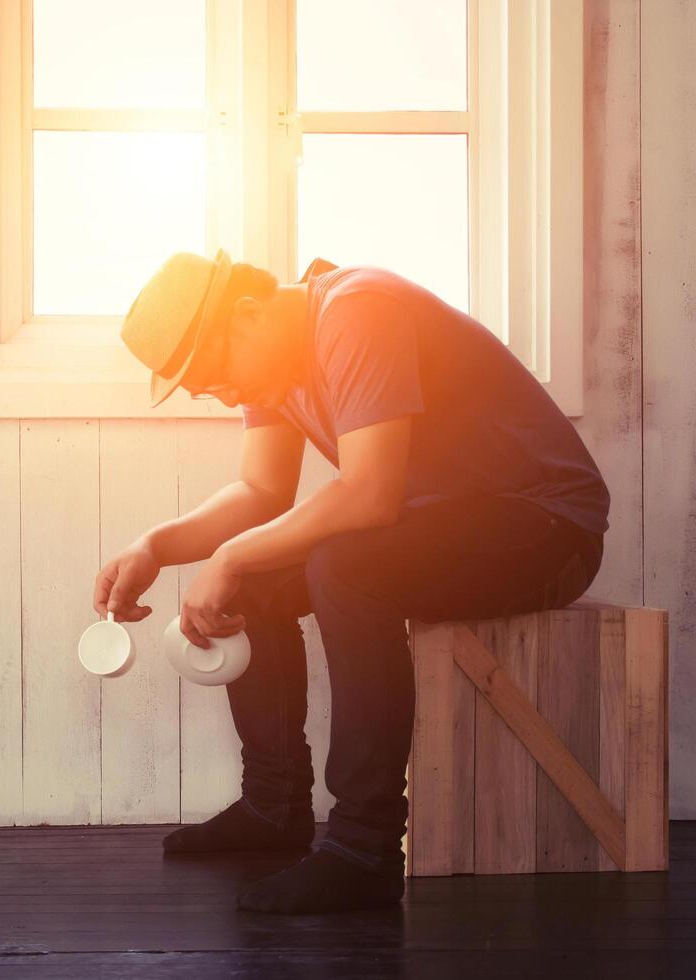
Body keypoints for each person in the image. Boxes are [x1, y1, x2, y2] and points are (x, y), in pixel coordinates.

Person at [95, 248, 609, 914]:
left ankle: (364, 849)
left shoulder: (358, 310)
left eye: (214, 376)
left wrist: (228, 557)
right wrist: (155, 546)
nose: (219, 394)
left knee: (341, 568)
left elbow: (368, 495)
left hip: (545, 528)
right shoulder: (276, 369)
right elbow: (261, 489)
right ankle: (275, 806)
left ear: (247, 316)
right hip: (438, 529)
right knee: (254, 583)